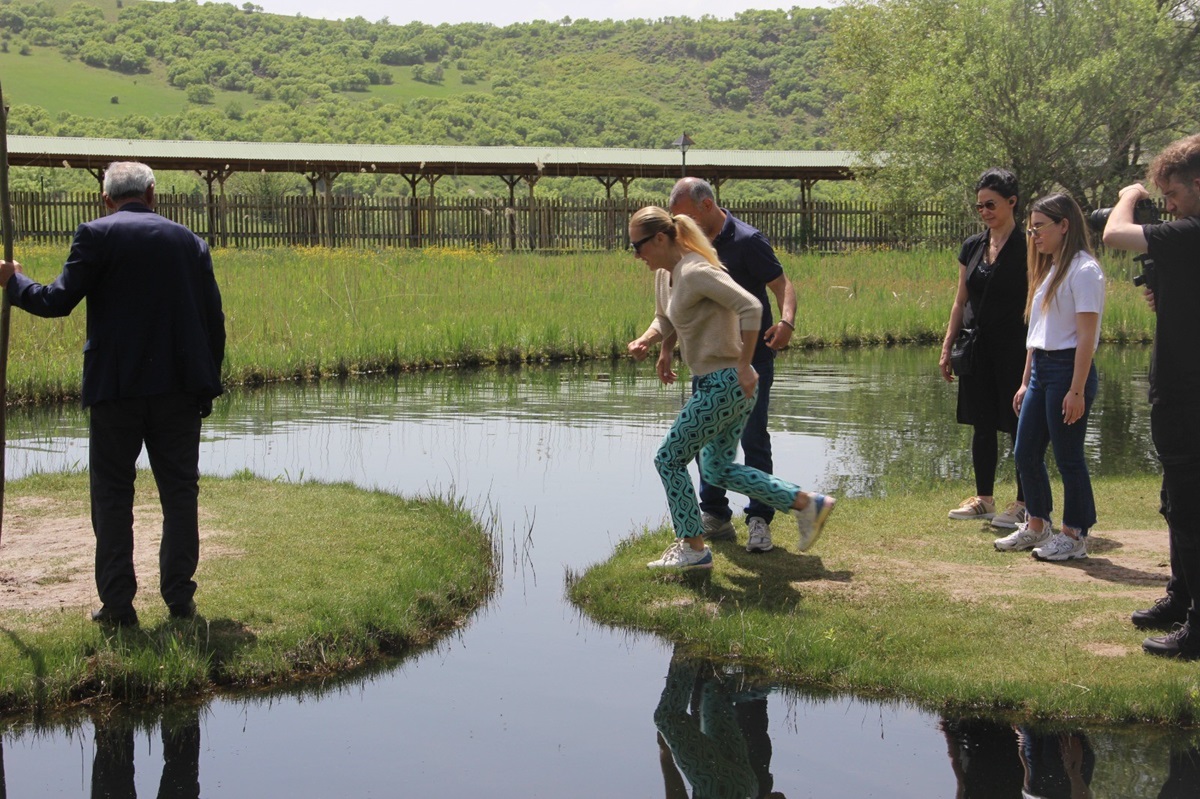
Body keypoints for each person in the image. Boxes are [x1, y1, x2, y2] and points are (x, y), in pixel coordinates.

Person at [0, 161, 226, 627]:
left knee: (112, 496)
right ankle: (180, 600)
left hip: (116, 390)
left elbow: (55, 301)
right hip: (180, 390)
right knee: (180, 494)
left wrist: (12, 282)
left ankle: (118, 606)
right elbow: (213, 323)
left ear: (106, 200)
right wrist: (207, 384)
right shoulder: (190, 243)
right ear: (152, 194)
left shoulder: (96, 235)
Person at [625, 207, 833, 570]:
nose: (636, 255)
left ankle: (693, 548)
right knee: (718, 469)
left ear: (660, 238)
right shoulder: (666, 274)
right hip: (714, 382)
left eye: (637, 247)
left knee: (669, 459)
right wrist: (649, 341)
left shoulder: (695, 270)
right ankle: (805, 503)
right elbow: (664, 317)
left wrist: (743, 363)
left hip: (724, 382)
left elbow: (751, 306)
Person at [1102, 133, 1200, 658]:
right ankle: (1180, 598)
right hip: (1181, 382)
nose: (1167, 208)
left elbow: (1115, 233)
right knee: (1175, 500)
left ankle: (1196, 628)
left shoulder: (1193, 231)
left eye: (1172, 196)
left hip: (1188, 391)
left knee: (1189, 507)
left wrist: (1129, 192)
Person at [994, 194, 1104, 561]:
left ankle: (1075, 534)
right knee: (1025, 451)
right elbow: (1037, 335)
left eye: (1039, 226)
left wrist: (1076, 389)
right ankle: (1038, 525)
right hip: (1042, 369)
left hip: (1069, 369)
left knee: (1068, 455)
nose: (1033, 234)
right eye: (1031, 227)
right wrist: (1027, 381)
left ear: (1064, 225)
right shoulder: (1051, 269)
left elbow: (1086, 336)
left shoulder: (1084, 270)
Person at [939, 169, 1030, 529]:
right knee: (982, 423)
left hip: (1017, 348)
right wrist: (948, 345)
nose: (985, 212)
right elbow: (960, 301)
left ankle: (1024, 502)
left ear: (1012, 202)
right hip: (977, 347)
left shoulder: (1030, 245)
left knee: (1019, 424)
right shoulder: (972, 246)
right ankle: (984, 499)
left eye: (990, 204)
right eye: (979, 206)